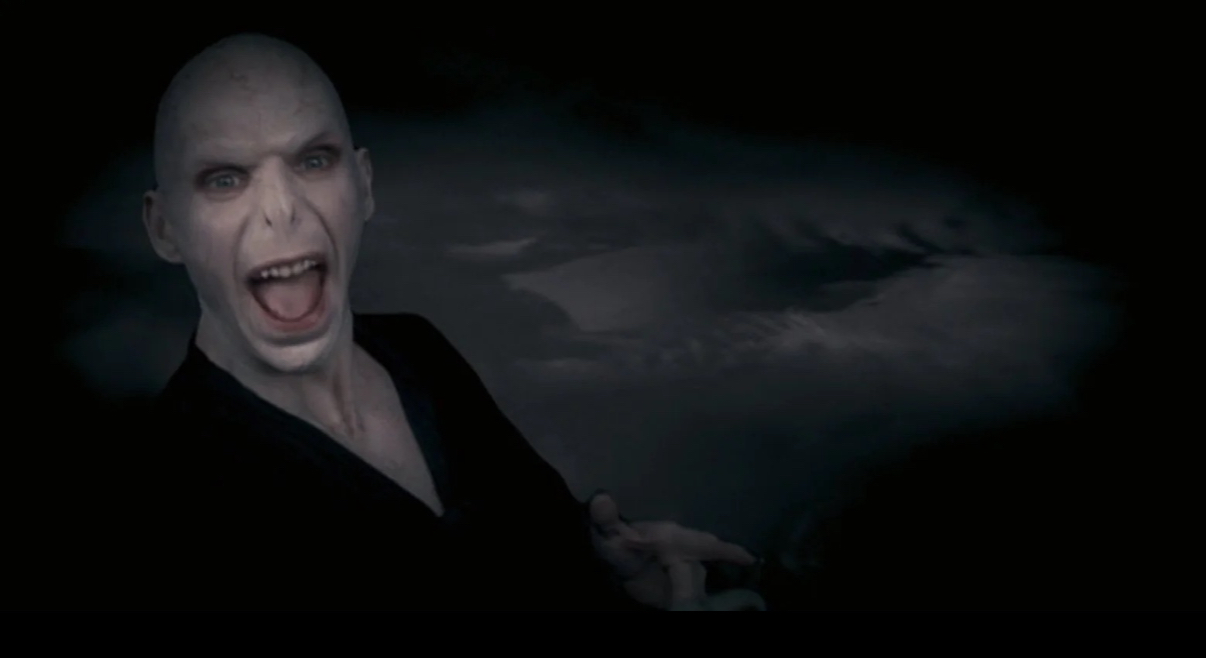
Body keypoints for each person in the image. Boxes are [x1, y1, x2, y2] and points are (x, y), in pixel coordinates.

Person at [126, 33, 758, 611]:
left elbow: (527, 539)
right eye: (225, 179)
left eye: (314, 161)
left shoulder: (416, 348)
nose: (281, 208)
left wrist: (608, 571)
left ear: (363, 184)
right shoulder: (170, 493)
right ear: (164, 228)